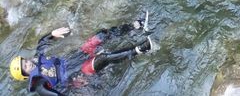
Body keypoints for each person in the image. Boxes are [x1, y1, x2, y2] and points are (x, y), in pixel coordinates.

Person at [9, 12, 158, 95]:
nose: (28, 63)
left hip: (76, 57)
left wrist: (52, 34)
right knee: (103, 59)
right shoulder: (39, 84)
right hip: (78, 73)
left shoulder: (38, 59)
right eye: (25, 67)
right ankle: (142, 49)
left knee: (100, 36)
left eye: (25, 61)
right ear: (26, 75)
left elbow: (41, 43)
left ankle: (135, 26)